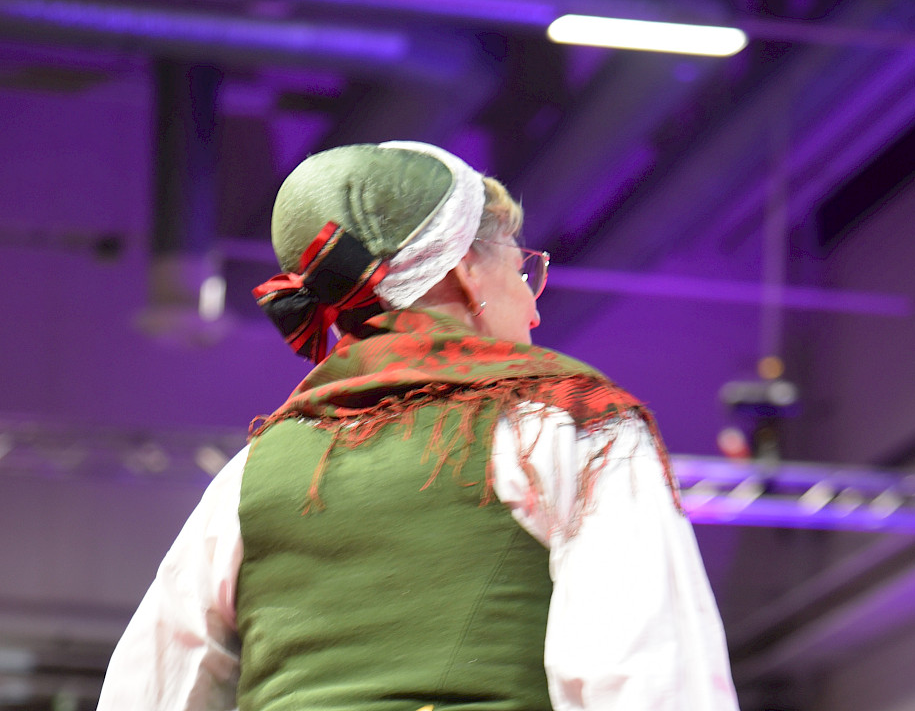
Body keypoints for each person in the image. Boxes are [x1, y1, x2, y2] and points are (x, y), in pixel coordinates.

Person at [96, 141, 739, 711]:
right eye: (520, 270)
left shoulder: (250, 472)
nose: (533, 308)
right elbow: (651, 675)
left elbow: (152, 689)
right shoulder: (571, 422)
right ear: (465, 271)